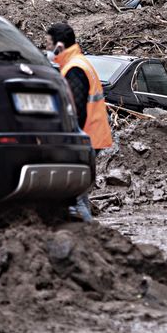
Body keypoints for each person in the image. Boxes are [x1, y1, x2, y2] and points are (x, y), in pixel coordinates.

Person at [47, 21, 112, 221]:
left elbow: (76, 111)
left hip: (86, 138)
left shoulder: (74, 68)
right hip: (92, 136)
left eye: (48, 44)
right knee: (78, 196)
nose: (47, 49)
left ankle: (90, 236)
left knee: (75, 198)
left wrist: (70, 141)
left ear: (59, 46)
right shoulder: (77, 62)